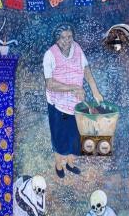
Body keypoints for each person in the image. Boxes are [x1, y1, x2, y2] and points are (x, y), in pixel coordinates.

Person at [44, 24, 103, 178]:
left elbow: (86, 71)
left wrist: (95, 91)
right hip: (58, 105)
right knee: (60, 140)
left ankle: (70, 164)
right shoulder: (50, 55)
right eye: (63, 37)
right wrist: (73, 88)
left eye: (69, 36)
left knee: (75, 139)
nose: (67, 40)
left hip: (76, 105)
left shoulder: (77, 49)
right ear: (57, 39)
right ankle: (59, 165)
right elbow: (49, 83)